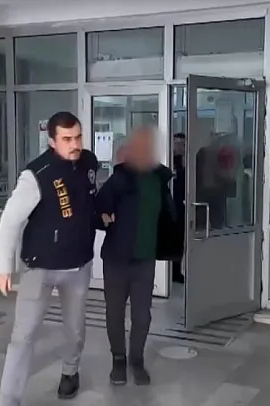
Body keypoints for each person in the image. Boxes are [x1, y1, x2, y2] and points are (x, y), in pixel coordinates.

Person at [0, 112, 99, 406]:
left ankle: (70, 372)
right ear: (52, 141)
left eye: (77, 137)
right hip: (38, 266)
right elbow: (10, 219)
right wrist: (2, 268)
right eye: (67, 139)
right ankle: (8, 400)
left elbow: (89, 202)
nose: (74, 144)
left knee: (75, 329)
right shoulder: (36, 174)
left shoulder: (89, 163)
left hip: (78, 265)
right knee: (23, 336)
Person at [96, 127, 182, 386]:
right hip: (116, 259)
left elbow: (168, 216)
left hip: (145, 260)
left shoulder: (159, 180)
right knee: (114, 313)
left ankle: (137, 359)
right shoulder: (119, 179)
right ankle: (118, 360)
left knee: (142, 316)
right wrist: (104, 218)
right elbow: (98, 209)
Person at [171, 133, 186, 283]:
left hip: (181, 206)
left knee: (180, 241)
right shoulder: (169, 161)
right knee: (171, 240)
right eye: (178, 143)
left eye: (183, 144)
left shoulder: (185, 163)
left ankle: (176, 271)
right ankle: (168, 272)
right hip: (169, 207)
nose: (180, 147)